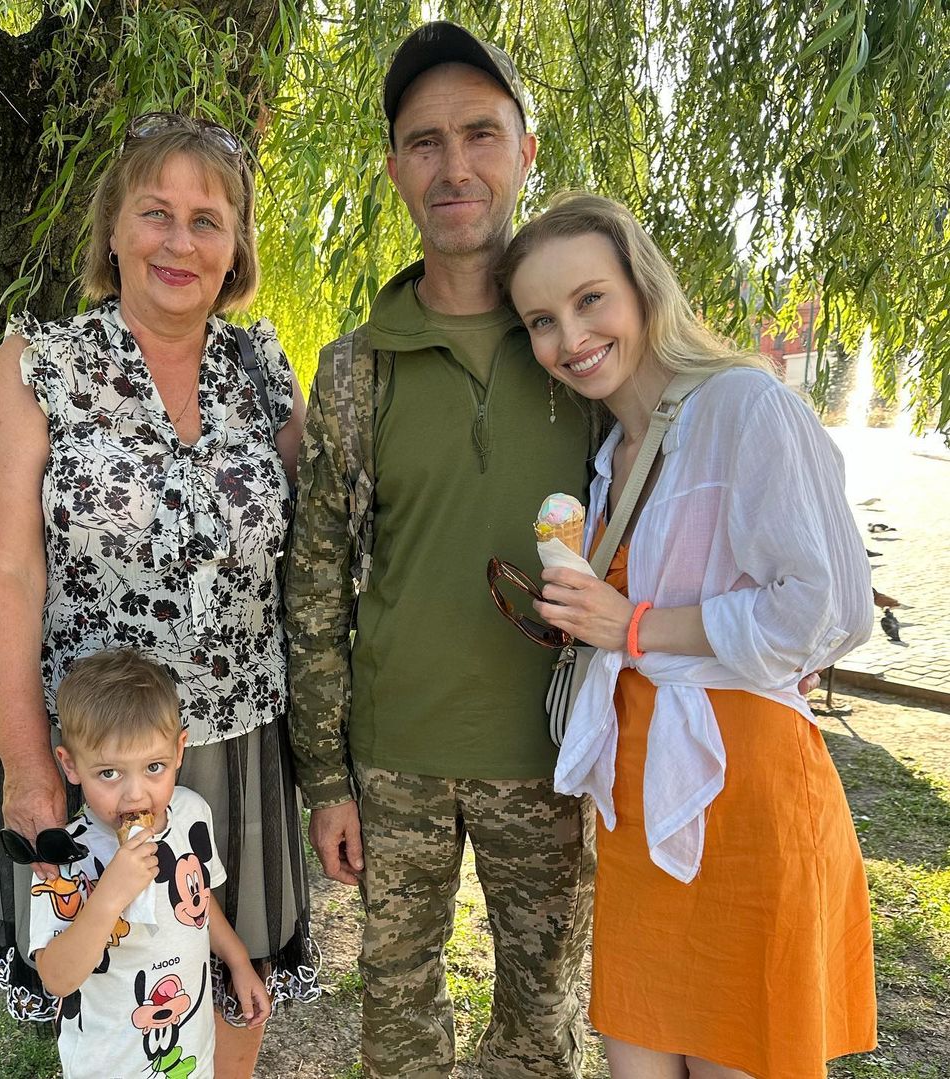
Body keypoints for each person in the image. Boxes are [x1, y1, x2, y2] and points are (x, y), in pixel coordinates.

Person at [497, 192, 878, 1079]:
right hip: (639, 805)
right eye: (542, 320)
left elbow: (828, 608)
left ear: (643, 288)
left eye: (590, 299)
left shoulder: (744, 406)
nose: (571, 337)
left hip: (741, 796)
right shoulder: (610, 460)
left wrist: (631, 624)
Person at [0, 112, 317, 1076]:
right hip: (99, 754)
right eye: (155, 212)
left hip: (239, 746)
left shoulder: (264, 374)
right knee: (115, 987)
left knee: (233, 975)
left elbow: (317, 554)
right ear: (114, 229)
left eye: (207, 220)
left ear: (236, 249)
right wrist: (28, 763)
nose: (180, 241)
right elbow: (4, 569)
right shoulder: (40, 365)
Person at [285, 22, 597, 1079]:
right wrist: (325, 777)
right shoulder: (355, 369)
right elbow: (315, 589)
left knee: (540, 1027)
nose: (453, 165)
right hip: (395, 761)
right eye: (425, 142)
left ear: (525, 151)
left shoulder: (585, 349)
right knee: (398, 1024)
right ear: (395, 169)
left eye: (480, 134)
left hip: (556, 761)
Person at [26, 648, 271, 1078]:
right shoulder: (65, 855)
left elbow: (198, 902)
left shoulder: (191, 814)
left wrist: (238, 961)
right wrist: (110, 896)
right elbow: (57, 979)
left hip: (188, 1053)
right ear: (71, 765)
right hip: (108, 1065)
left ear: (179, 750)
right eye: (109, 773)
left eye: (154, 766)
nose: (136, 794)